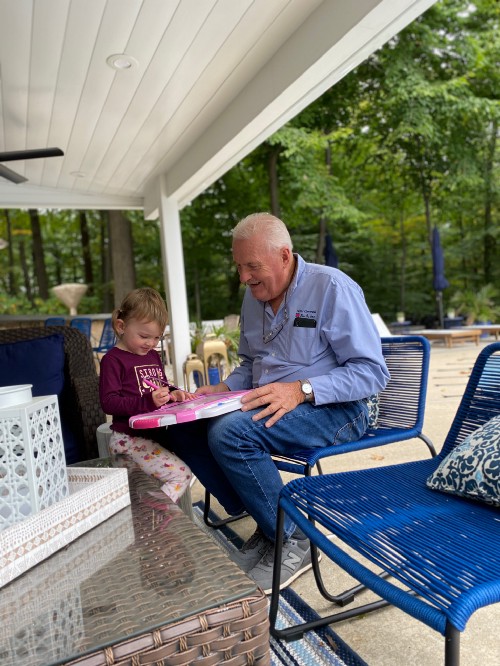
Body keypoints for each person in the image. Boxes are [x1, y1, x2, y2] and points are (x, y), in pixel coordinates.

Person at [166, 213, 390, 592]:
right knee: (182, 425)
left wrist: (301, 389)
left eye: (253, 266)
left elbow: (372, 373)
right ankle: (270, 521)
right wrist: (221, 390)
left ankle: (297, 539)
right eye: (239, 267)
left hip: (342, 407)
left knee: (230, 435)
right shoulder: (255, 297)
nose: (244, 278)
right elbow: (252, 365)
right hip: (277, 402)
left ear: (285, 256)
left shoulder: (331, 288)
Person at [99, 287, 193, 504]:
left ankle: (154, 522)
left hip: (153, 437)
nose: (151, 343)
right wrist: (147, 402)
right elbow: (109, 402)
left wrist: (173, 392)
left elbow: (158, 386)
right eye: (144, 336)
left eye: (157, 338)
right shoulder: (113, 360)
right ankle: (154, 513)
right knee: (181, 475)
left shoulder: (151, 355)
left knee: (145, 490)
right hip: (129, 440)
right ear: (121, 326)